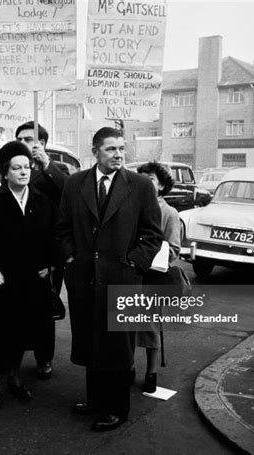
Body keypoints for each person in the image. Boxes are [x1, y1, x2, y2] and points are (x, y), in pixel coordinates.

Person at [56, 127, 163, 431]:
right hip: (85, 279)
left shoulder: (140, 186)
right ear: (95, 152)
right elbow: (62, 227)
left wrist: (134, 264)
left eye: (121, 149)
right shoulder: (75, 184)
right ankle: (95, 401)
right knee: (92, 343)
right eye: (111, 149)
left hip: (122, 279)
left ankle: (116, 409)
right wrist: (70, 258)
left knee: (117, 347)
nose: (118, 155)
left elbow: (152, 234)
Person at [0, 121, 67, 380]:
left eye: (29, 140)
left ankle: (43, 358)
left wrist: (47, 164)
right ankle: (0, 362)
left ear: (42, 143)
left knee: (42, 314)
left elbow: (67, 198)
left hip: (40, 261)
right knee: (5, 316)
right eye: (20, 139)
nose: (23, 145)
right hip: (9, 261)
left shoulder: (53, 170)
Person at [0, 141, 57, 408]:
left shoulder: (42, 202)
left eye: (27, 167)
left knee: (24, 330)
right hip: (3, 281)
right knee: (0, 331)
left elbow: (54, 237)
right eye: (16, 168)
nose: (23, 172)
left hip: (32, 279)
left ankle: (15, 377)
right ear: (5, 173)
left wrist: (51, 264)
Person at [136, 161, 181, 393]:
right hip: (131, 274)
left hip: (152, 277)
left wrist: (150, 256)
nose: (144, 182)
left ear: (162, 185)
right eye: (141, 178)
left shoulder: (168, 213)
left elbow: (174, 248)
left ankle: (151, 372)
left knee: (149, 326)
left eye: (150, 179)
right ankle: (129, 366)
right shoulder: (132, 207)